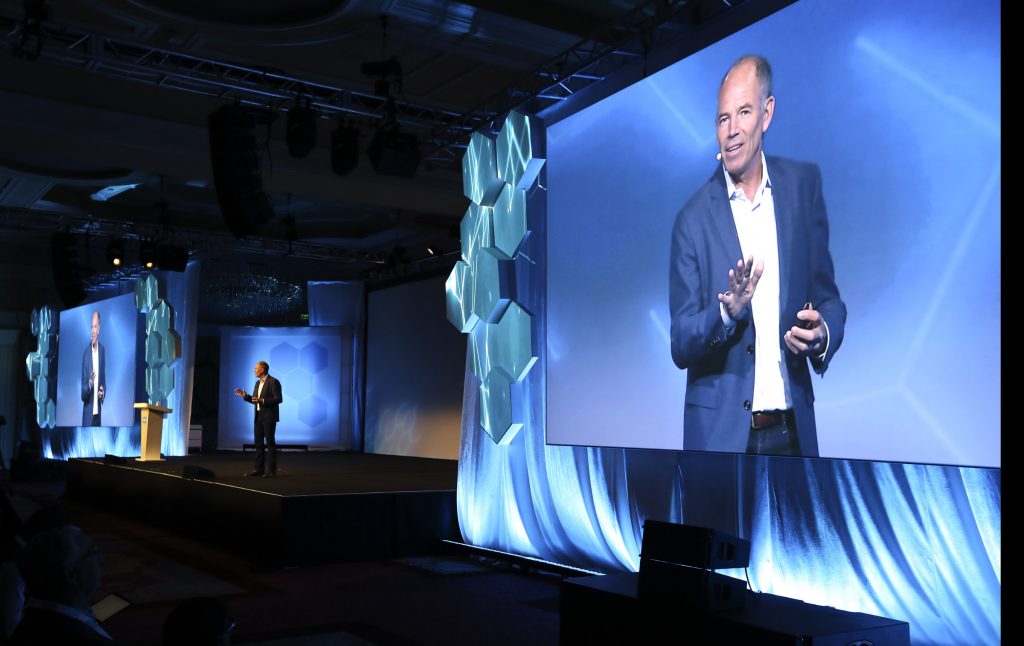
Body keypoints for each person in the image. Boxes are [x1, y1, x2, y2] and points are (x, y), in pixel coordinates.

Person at [669, 54, 846, 457]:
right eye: (722, 118)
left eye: (744, 113)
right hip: (722, 442)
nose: (731, 130)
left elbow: (829, 298)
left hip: (793, 433)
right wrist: (726, 313)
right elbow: (680, 341)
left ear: (766, 114)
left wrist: (822, 334)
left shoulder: (802, 187)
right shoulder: (691, 220)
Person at [11, 524, 116, 644]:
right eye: (93, 551)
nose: (101, 560)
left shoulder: (28, 623)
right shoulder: (87, 639)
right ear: (71, 575)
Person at [234, 361, 282, 477]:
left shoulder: (273, 382)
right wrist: (246, 396)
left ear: (262, 370)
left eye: (256, 368)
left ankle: (271, 471)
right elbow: (255, 400)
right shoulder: (257, 383)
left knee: (270, 443)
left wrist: (262, 401)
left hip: (269, 416)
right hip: (258, 416)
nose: (254, 370)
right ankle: (258, 469)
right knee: (258, 443)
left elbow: (278, 399)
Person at [81, 310, 106, 426]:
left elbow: (103, 381)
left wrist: (103, 392)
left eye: (95, 327)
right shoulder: (86, 355)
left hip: (98, 416)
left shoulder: (102, 351)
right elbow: (82, 394)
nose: (93, 331)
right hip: (88, 418)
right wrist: (90, 383)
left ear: (99, 329)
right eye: (91, 327)